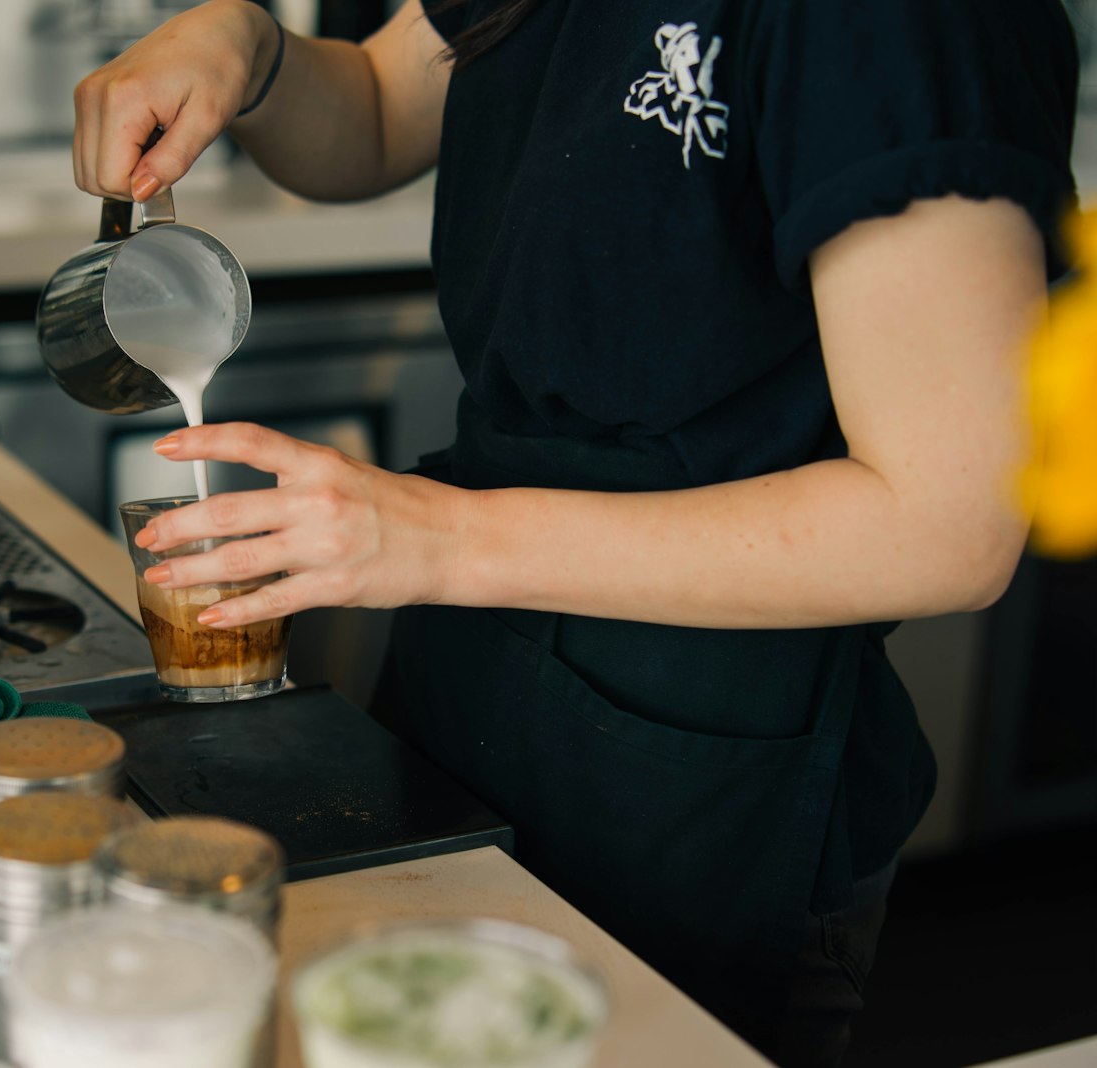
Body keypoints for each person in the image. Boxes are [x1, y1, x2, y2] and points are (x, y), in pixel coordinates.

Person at [70, 1, 1078, 1063]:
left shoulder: (896, 27)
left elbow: (948, 527)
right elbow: (372, 113)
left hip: (704, 746)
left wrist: (442, 542)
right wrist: (251, 47)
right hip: (474, 670)